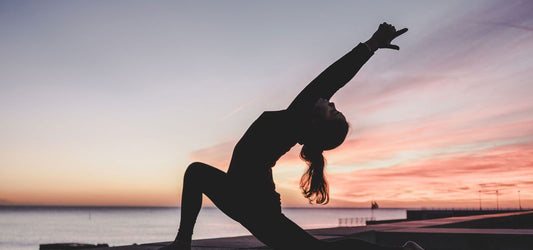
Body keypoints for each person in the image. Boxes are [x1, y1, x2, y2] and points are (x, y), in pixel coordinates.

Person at [161, 23, 423, 250]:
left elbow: (332, 78)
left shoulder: (296, 119)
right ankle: (183, 242)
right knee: (195, 173)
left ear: (318, 125)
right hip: (243, 196)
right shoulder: (297, 122)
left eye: (334, 111)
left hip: (253, 203)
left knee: (313, 249)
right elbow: (329, 83)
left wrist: (372, 44)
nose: (332, 104)